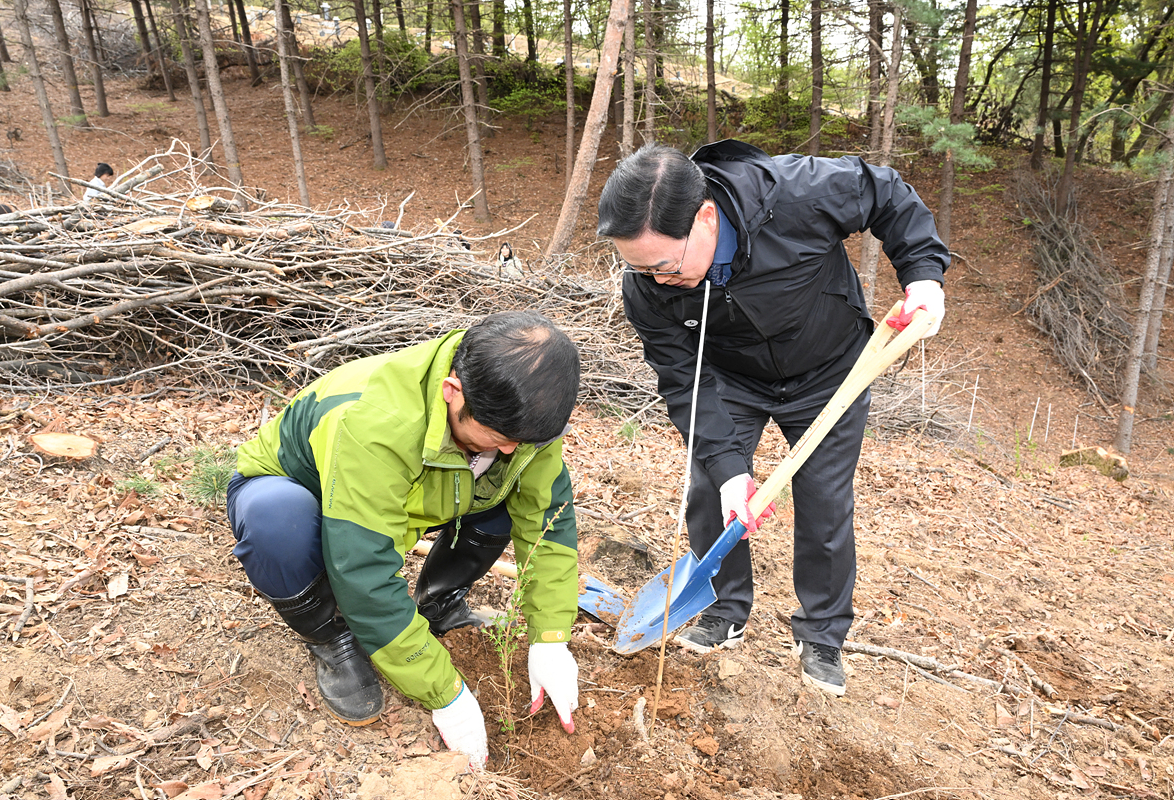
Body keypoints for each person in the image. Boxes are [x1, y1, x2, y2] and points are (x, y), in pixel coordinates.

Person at [597, 141, 948, 697]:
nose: (654, 280)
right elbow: (682, 380)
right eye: (638, 267)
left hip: (830, 371)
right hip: (731, 380)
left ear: (705, 216)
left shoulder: (795, 194)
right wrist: (730, 468)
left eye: (662, 264)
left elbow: (887, 194)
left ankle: (822, 638)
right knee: (711, 486)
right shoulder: (647, 286)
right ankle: (725, 610)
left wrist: (923, 275)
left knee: (824, 503)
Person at [227, 310, 582, 768]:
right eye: (497, 437)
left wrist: (550, 637)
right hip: (310, 496)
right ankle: (331, 637)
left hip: (416, 494)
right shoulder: (376, 420)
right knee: (277, 520)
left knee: (504, 493)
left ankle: (437, 605)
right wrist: (445, 693)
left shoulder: (525, 409)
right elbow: (363, 569)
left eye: (522, 440)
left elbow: (547, 521)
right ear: (452, 392)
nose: (511, 449)